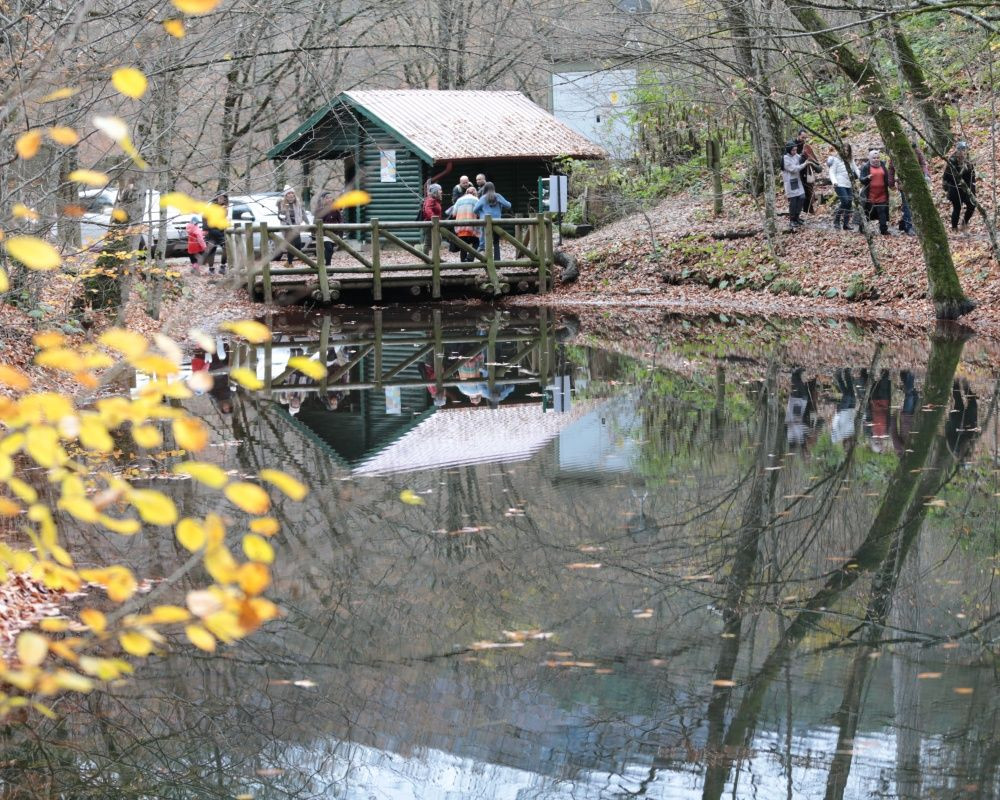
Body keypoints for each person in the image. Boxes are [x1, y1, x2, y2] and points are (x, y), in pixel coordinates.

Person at [888, 140, 930, 235]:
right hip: (904, 184)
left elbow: (923, 163)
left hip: (917, 182)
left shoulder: (916, 150)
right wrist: (890, 183)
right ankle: (909, 227)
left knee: (918, 205)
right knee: (907, 206)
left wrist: (926, 174)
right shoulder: (896, 152)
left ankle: (909, 224)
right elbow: (891, 168)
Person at [943, 141, 976, 232]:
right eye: (961, 150)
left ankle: (964, 223)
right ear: (957, 150)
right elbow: (948, 177)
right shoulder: (952, 161)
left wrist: (973, 189)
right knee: (957, 208)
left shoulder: (968, 161)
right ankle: (954, 228)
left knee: (972, 205)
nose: (963, 152)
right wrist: (960, 172)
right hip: (954, 188)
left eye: (964, 150)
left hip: (966, 189)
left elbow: (972, 177)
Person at [473, 182, 511, 260]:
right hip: (497, 222)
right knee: (496, 242)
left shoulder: (483, 198)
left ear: (485, 189)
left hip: (485, 222)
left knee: (486, 242)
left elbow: (475, 209)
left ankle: (488, 260)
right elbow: (508, 205)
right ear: (493, 188)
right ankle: (497, 261)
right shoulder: (498, 196)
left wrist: (481, 214)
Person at [859, 149, 891, 235]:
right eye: (874, 158)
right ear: (870, 158)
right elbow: (861, 179)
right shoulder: (865, 167)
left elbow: (887, 178)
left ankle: (883, 230)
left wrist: (891, 184)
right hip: (870, 195)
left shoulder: (883, 165)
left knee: (882, 212)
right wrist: (867, 178)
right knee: (867, 212)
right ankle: (862, 228)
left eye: (877, 158)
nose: (876, 159)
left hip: (882, 194)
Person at [826, 145, 858, 231]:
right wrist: (834, 182)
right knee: (845, 201)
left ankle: (846, 224)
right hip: (839, 184)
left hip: (848, 184)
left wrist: (862, 178)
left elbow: (856, 170)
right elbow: (831, 172)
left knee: (849, 204)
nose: (845, 152)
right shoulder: (835, 160)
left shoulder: (851, 160)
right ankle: (836, 220)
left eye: (847, 150)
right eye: (844, 150)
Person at [446, 185, 480, 261]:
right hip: (472, 227)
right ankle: (470, 258)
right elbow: (479, 213)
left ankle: (463, 264)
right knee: (477, 242)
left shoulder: (459, 200)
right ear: (474, 193)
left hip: (460, 226)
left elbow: (454, 214)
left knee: (463, 246)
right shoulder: (476, 200)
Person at [277, 186, 307, 266]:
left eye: (292, 193)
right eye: (288, 193)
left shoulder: (297, 203)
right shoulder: (282, 203)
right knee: (291, 245)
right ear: (286, 195)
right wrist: (283, 213)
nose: (290, 195)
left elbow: (303, 213)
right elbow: (280, 216)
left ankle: (289, 262)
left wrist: (307, 222)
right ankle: (290, 263)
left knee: (298, 244)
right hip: (287, 228)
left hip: (296, 226)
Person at [782, 141, 807, 231]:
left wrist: (805, 155)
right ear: (789, 150)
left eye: (796, 150)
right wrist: (805, 164)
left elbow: (800, 158)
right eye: (793, 150)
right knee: (793, 201)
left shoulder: (796, 155)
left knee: (802, 197)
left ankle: (797, 216)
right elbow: (794, 169)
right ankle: (792, 219)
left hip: (797, 181)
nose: (795, 152)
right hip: (790, 182)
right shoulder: (785, 158)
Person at [312, 191, 342, 264]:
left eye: (330, 198)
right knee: (328, 248)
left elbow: (340, 221)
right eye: (327, 198)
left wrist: (340, 233)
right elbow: (315, 222)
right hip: (324, 233)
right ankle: (328, 266)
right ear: (323, 200)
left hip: (334, 233)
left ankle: (326, 264)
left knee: (330, 250)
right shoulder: (319, 210)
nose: (329, 199)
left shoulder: (336, 209)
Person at [201, 193, 228, 274]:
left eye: (223, 198)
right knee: (212, 250)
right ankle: (211, 269)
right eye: (220, 198)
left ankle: (222, 267)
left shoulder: (225, 207)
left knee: (226, 249)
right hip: (212, 231)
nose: (222, 200)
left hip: (221, 231)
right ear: (216, 198)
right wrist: (205, 229)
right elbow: (204, 216)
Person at [796, 129, 821, 213]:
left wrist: (812, 163)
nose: (804, 139)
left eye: (806, 138)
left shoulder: (807, 147)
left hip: (807, 172)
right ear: (798, 136)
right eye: (803, 137)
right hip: (798, 173)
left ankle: (808, 210)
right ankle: (803, 211)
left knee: (809, 192)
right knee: (802, 194)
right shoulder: (792, 145)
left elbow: (818, 167)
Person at [421, 183, 443, 255]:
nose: (441, 191)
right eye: (439, 190)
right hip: (430, 224)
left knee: (438, 240)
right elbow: (428, 210)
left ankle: (435, 257)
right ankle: (425, 259)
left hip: (434, 224)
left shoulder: (435, 200)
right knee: (428, 242)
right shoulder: (431, 200)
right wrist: (434, 219)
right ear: (435, 191)